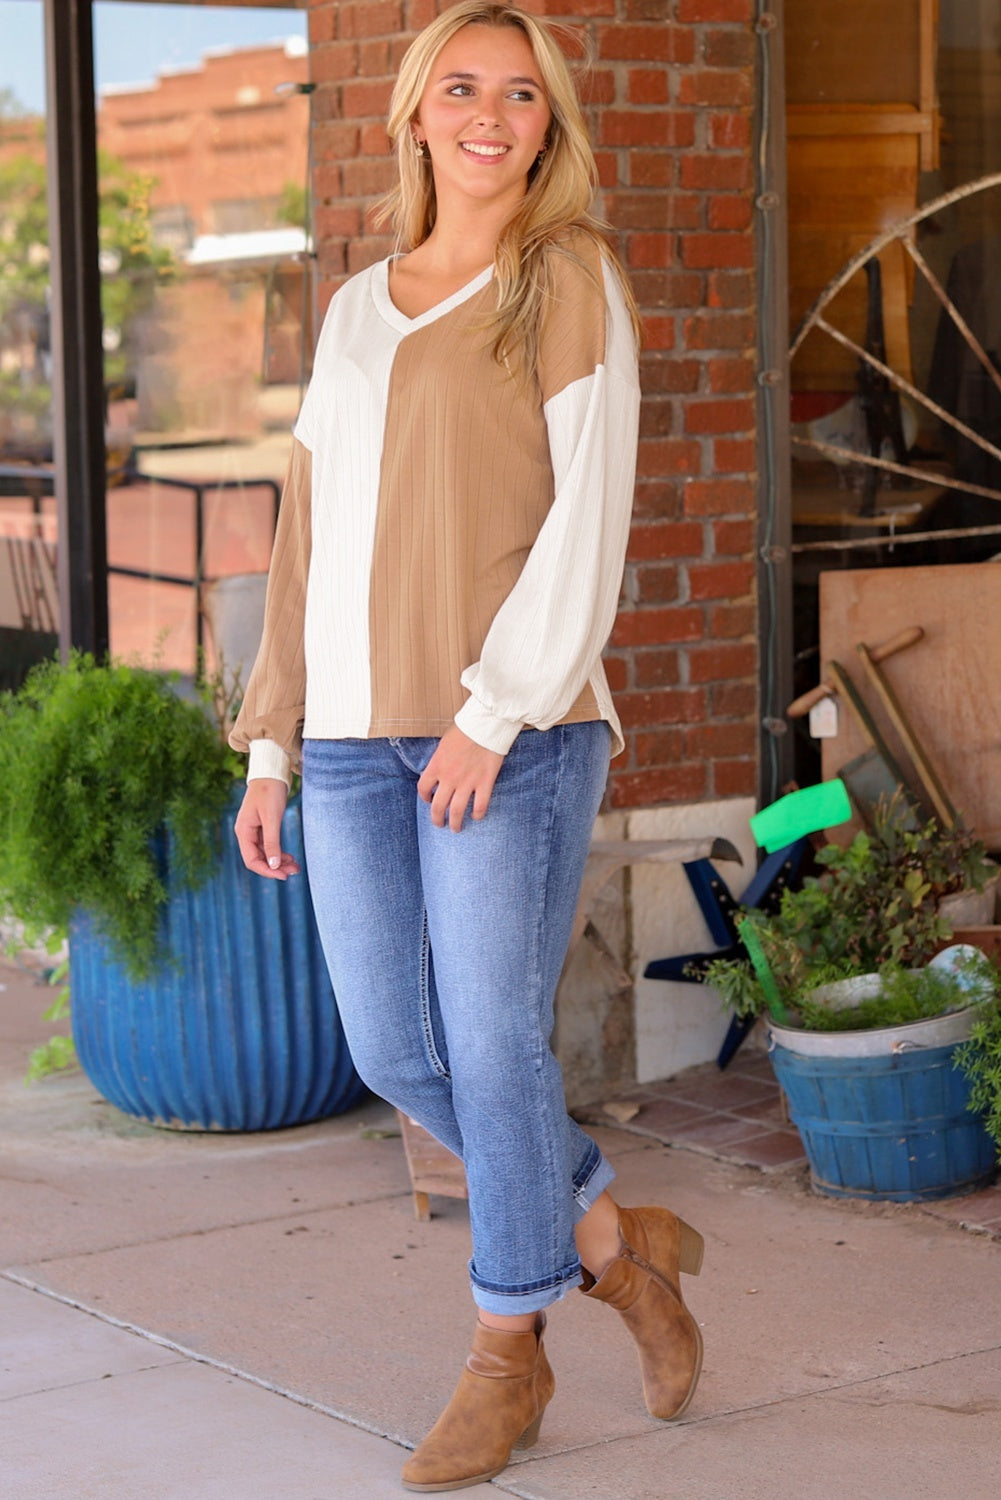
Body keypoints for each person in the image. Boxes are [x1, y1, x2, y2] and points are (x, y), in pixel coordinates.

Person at [230, 3, 703, 1491]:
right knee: (393, 1046)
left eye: (520, 93)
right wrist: (269, 738)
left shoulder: (566, 280)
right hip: (360, 746)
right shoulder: (359, 306)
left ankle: (509, 1360)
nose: (489, 113)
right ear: (415, 116)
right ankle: (612, 1247)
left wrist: (491, 712)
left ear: (546, 125)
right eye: (461, 87)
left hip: (515, 730)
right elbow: (306, 538)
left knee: (492, 1042)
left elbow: (589, 522)